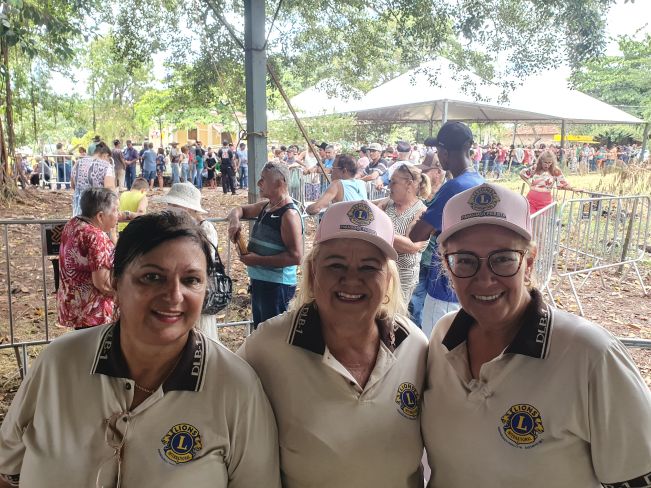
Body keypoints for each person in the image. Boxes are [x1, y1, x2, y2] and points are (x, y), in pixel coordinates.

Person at [0, 210, 281, 488]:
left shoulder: (235, 387)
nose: (174, 295)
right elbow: (6, 469)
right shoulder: (58, 364)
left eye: (191, 280)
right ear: (115, 282)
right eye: (152, 277)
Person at [421, 182, 651, 487]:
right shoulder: (442, 337)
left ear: (528, 262)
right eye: (465, 260)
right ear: (447, 266)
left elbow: (637, 477)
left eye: (503, 258)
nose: (485, 279)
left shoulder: (591, 355)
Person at [237, 199, 428, 488]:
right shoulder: (267, 348)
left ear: (388, 278)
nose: (351, 279)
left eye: (369, 267)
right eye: (336, 265)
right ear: (313, 272)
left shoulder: (414, 346)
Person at [409, 121, 484, 337]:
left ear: (443, 152)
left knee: (436, 345)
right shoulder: (480, 182)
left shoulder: (453, 187)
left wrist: (424, 220)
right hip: (469, 281)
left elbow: (417, 234)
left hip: (444, 286)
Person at [227, 162, 303, 329]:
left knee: (272, 334)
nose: (258, 183)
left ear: (279, 183)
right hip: (260, 280)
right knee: (261, 331)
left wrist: (257, 260)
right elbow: (238, 209)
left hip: (277, 285)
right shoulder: (266, 206)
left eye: (263, 179)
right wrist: (234, 221)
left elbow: (296, 257)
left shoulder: (288, 214)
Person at [157, 182, 220, 342]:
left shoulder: (205, 228)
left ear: (188, 208)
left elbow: (204, 261)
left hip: (197, 288)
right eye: (169, 204)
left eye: (174, 205)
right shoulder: (176, 227)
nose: (169, 208)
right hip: (180, 286)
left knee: (199, 336)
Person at [57, 188, 118, 329]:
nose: (117, 215)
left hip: (73, 305)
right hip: (93, 313)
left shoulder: (73, 224)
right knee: (96, 343)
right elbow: (103, 283)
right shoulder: (96, 237)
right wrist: (125, 294)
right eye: (115, 210)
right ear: (100, 216)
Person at [374, 164, 430, 303]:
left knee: (396, 313)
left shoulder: (422, 211)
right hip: (380, 272)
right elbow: (370, 214)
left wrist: (379, 231)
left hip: (402, 279)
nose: (389, 186)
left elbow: (412, 246)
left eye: (394, 182)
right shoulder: (388, 202)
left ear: (409, 184)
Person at [408, 163, 446, 327]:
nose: (422, 175)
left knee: (428, 303)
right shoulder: (421, 198)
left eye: (426, 171)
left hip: (434, 259)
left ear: (437, 172)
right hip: (424, 258)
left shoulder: (444, 195)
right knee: (417, 301)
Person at [71, 142, 116, 217]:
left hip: (78, 210)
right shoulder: (106, 166)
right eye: (109, 159)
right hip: (97, 210)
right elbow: (109, 190)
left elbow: (73, 185)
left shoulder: (78, 163)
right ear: (105, 155)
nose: (108, 161)